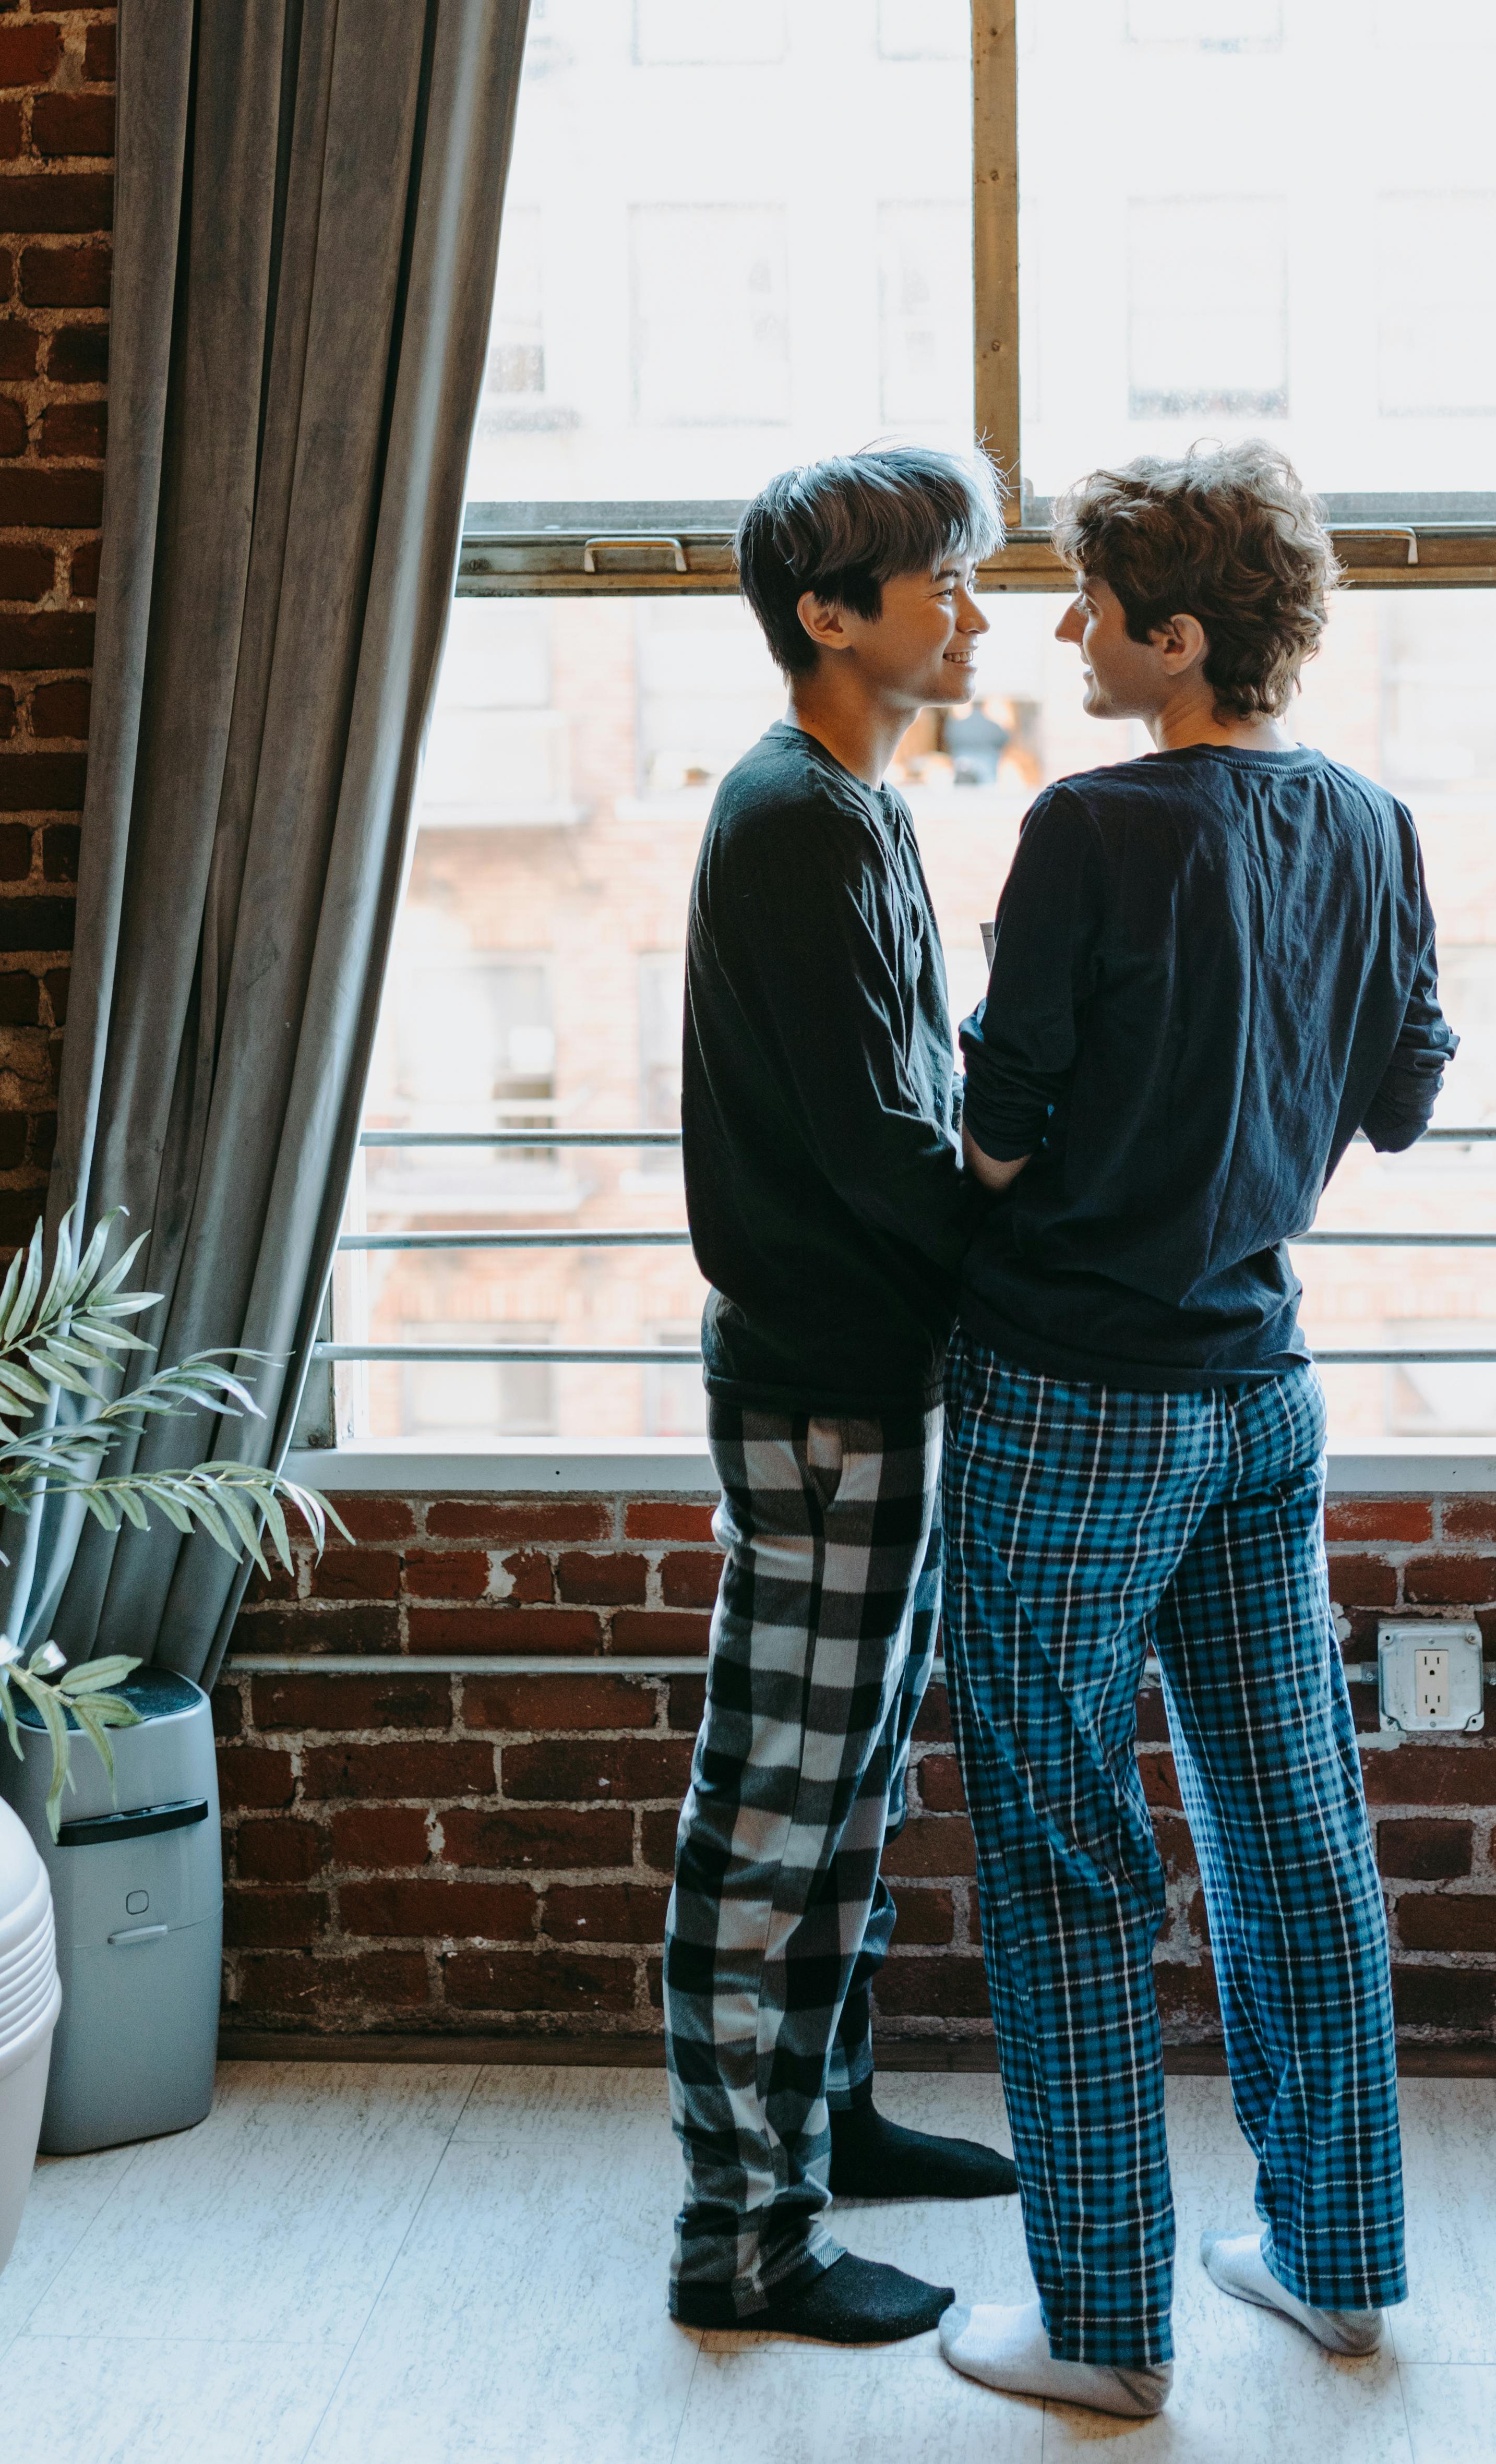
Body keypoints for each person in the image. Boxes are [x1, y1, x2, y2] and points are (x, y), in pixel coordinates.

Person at [933, 441, 1456, 2419]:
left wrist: (1021, 1145)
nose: (1066, 632)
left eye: (1093, 604)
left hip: (1074, 1402)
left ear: (1181, 635)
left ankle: (1105, 2325)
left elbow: (996, 1126)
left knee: (1069, 1853)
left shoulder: (1091, 829)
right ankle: (1334, 2263)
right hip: (1263, 1392)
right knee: (1291, 1826)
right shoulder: (1370, 818)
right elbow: (1399, 1096)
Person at [664, 443, 1021, 2348]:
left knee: (852, 1791)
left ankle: (831, 2124)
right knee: (779, 1811)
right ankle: (741, 2238)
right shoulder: (796, 816)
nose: (970, 609)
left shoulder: (856, 804)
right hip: (822, 1391)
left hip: (869, 1378)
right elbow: (888, 1149)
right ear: (829, 613)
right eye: (939, 580)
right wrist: (1033, 1265)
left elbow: (922, 1110)